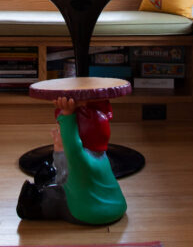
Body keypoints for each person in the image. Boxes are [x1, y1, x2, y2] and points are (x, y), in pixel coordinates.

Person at [16, 96, 126, 225]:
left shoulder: (81, 159)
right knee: (62, 175)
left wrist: (68, 115)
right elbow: (67, 164)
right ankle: (49, 182)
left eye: (62, 130)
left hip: (89, 213)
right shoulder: (100, 156)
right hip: (117, 205)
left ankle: (31, 205)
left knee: (53, 197)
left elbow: (72, 146)